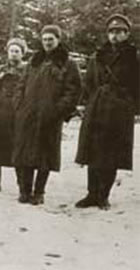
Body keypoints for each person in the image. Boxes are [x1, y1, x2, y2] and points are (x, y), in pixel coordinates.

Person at [75, 14, 139, 210]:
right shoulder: (97, 56)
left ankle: (104, 195)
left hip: (119, 110)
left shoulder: (134, 57)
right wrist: (83, 103)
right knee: (93, 152)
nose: (114, 35)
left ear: (127, 34)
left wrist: (135, 109)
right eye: (111, 31)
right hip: (97, 107)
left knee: (111, 154)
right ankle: (91, 194)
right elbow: (88, 83)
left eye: (119, 32)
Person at [13, 24, 81, 205]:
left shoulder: (67, 63)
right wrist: (19, 105)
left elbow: (73, 91)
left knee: (45, 155)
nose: (47, 43)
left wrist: (58, 110)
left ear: (58, 40)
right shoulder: (34, 61)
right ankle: (25, 191)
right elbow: (21, 84)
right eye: (44, 39)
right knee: (25, 154)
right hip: (27, 115)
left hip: (50, 117)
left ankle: (39, 192)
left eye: (51, 39)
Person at [0, 37, 27, 192]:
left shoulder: (26, 69)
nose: (14, 54)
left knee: (17, 147)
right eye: (11, 51)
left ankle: (21, 184)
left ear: (22, 53)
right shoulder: (0, 69)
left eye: (17, 51)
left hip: (16, 112)